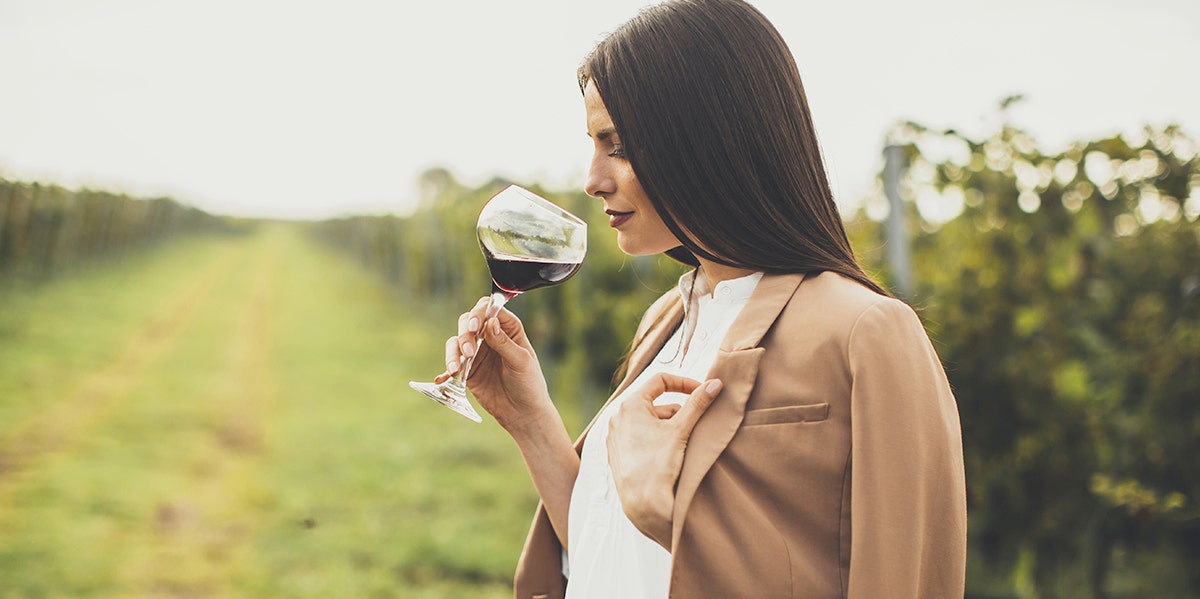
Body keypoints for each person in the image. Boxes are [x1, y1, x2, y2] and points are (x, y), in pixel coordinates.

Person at [437, 0, 967, 596]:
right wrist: (529, 419)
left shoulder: (864, 333)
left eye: (618, 145)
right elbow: (612, 559)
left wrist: (661, 510)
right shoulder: (667, 320)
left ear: (705, 139)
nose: (592, 179)